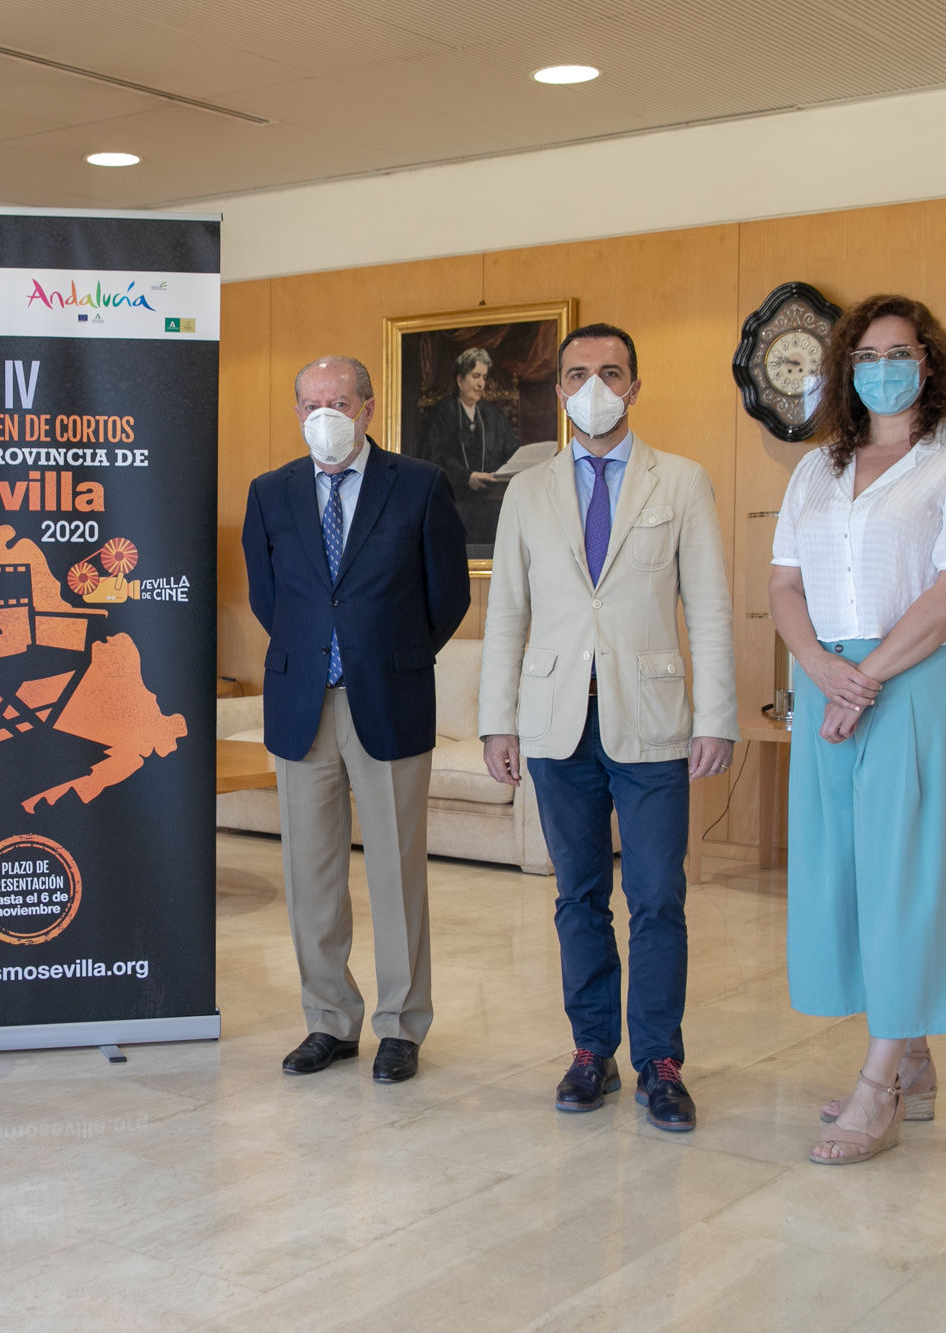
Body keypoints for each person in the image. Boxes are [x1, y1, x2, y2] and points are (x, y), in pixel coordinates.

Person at [767, 294, 946, 1166]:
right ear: (845, 370)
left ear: (928, 361)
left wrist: (866, 678)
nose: (881, 369)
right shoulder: (815, 471)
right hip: (826, 677)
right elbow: (784, 584)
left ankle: (880, 1088)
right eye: (864, 356)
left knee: (907, 870)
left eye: (897, 353)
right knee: (847, 870)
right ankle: (914, 1056)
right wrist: (818, 665)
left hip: (917, 678)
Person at [478, 322, 736, 1132]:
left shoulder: (681, 481)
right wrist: (496, 721)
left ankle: (660, 1060)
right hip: (556, 722)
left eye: (612, 372)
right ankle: (592, 1048)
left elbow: (711, 609)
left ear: (635, 386)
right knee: (579, 895)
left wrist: (717, 716)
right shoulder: (528, 491)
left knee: (657, 895)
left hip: (653, 719)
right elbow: (506, 613)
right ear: (558, 390)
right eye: (578, 373)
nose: (595, 387)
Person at [241, 355, 470, 1085]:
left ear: (368, 408)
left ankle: (401, 1025)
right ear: (297, 411)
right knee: (310, 875)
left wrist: (389, 654)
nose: (324, 415)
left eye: (337, 401)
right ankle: (329, 1019)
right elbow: (269, 597)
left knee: (397, 874)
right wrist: (318, 653)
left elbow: (449, 596)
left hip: (389, 696)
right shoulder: (270, 492)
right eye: (311, 403)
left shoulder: (420, 484)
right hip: (302, 701)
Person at [418, 347, 521, 548]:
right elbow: (435, 457)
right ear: (460, 380)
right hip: (454, 499)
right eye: (475, 376)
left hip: (492, 498)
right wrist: (467, 477)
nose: (481, 383)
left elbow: (511, 451)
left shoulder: (492, 415)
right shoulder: (442, 414)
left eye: (484, 377)